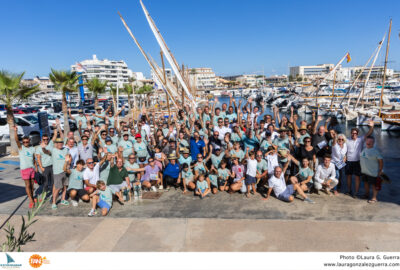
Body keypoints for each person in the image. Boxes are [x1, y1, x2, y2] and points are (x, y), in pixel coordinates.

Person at [346, 120, 374, 197]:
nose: (354, 134)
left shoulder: (360, 139)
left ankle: (356, 192)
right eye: (352, 133)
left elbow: (369, 133)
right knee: (348, 176)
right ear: (351, 133)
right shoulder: (347, 140)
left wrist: (371, 127)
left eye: (355, 133)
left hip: (358, 161)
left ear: (357, 134)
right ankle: (349, 190)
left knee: (357, 177)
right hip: (348, 161)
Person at [14, 127, 36, 208]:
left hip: (32, 168)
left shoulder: (32, 149)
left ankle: (33, 197)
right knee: (27, 185)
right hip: (24, 169)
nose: (25, 143)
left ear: (29, 141)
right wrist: (15, 131)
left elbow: (34, 159)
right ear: (22, 143)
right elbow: (16, 140)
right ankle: (31, 200)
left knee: (32, 185)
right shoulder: (21, 148)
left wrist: (36, 167)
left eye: (27, 142)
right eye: (24, 142)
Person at [360, 136, 383, 203]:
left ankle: (374, 198)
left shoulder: (376, 151)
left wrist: (380, 170)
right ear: (366, 142)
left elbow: (381, 161)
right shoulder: (364, 149)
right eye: (367, 141)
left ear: (373, 143)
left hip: (372, 172)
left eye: (370, 141)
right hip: (365, 171)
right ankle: (366, 194)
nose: (368, 143)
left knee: (374, 185)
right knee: (366, 183)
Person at [49, 137, 70, 210]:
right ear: (56, 144)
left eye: (61, 142)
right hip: (57, 172)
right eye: (58, 143)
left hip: (65, 171)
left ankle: (63, 200)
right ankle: (54, 202)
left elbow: (68, 158)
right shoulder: (53, 150)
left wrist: (68, 163)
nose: (60, 144)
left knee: (65, 187)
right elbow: (46, 149)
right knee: (58, 188)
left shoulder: (66, 150)